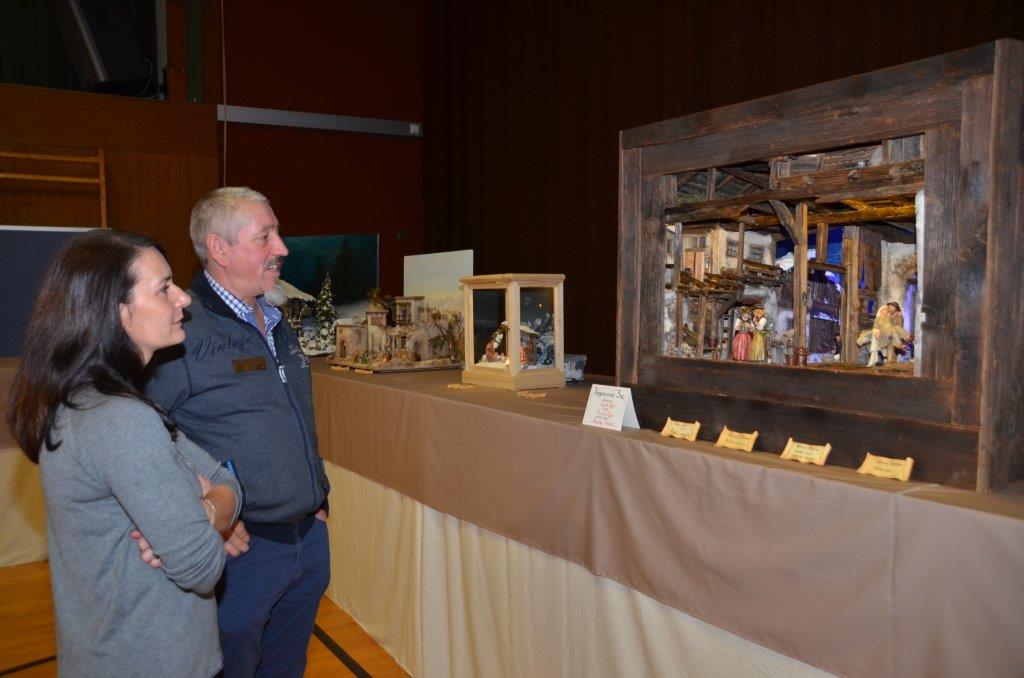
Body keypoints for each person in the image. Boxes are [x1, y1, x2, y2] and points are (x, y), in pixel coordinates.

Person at [7, 230, 243, 677]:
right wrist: (208, 510)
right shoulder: (121, 419)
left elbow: (228, 481)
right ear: (116, 313)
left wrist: (207, 509)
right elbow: (202, 566)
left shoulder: (86, 401)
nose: (183, 299)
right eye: (163, 288)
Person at [147, 187, 331, 677]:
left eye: (278, 233)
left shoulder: (276, 320)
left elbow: (294, 419)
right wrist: (204, 507)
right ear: (219, 248)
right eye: (264, 236)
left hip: (307, 540)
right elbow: (145, 431)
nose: (282, 248)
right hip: (242, 553)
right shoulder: (181, 330)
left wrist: (318, 501)